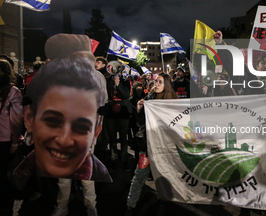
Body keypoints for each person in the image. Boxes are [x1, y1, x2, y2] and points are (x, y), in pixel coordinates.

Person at [13, 34, 111, 182]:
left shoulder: (97, 81)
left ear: (96, 129)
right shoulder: (44, 80)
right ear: (29, 118)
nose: (65, 140)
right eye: (52, 121)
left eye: (82, 126)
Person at [125, 73, 177, 215]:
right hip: (148, 145)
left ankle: (165, 202)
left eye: (160, 82)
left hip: (166, 147)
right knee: (139, 175)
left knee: (166, 176)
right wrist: (139, 109)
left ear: (167, 84)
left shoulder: (174, 101)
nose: (157, 84)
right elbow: (140, 123)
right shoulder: (149, 99)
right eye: (156, 82)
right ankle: (130, 204)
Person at [0, 59, 24, 210]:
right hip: (4, 138)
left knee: (3, 173)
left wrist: (15, 142)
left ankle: (9, 202)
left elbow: (16, 120)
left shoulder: (13, 92)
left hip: (5, 140)